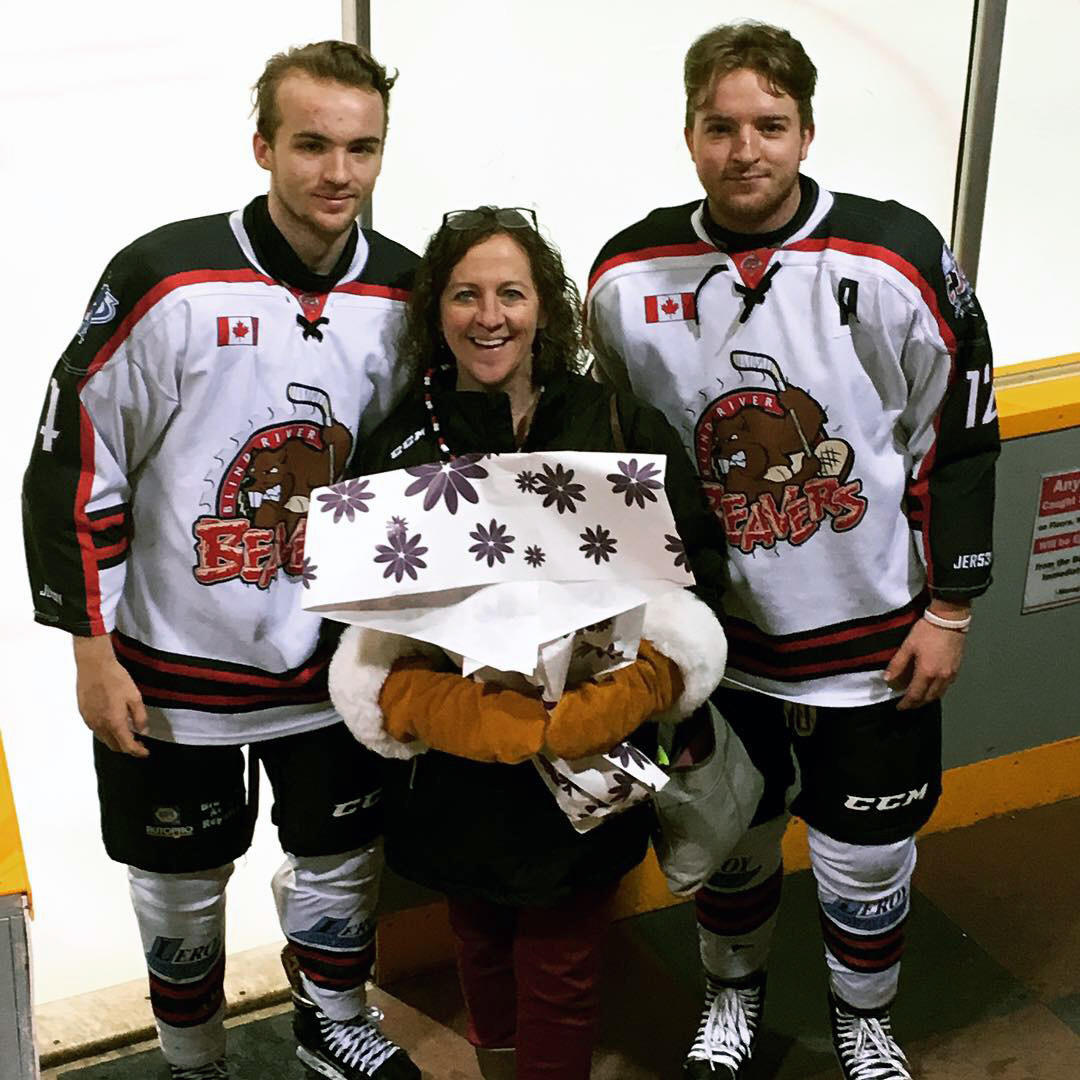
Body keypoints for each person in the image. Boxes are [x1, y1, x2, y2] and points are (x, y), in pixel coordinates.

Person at [586, 21, 999, 1080]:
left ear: (807, 130)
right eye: (720, 127)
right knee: (732, 845)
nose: (745, 150)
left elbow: (960, 437)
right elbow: (617, 462)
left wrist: (950, 611)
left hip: (875, 639)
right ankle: (732, 1002)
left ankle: (866, 1021)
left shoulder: (895, 254)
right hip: (723, 648)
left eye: (770, 125)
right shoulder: (628, 275)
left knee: (868, 859)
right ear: (689, 136)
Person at [22, 41, 421, 1080]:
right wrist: (89, 651)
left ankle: (331, 1027)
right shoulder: (165, 278)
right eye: (312, 145)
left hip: (333, 664)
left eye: (362, 147)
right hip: (172, 667)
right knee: (179, 887)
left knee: (340, 864)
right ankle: (193, 1060)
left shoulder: (411, 293)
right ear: (263, 146)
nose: (338, 172)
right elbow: (73, 467)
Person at [326, 206, 729, 1080]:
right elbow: (366, 611)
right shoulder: (401, 439)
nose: (490, 315)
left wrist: (647, 679)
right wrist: (419, 700)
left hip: (583, 754)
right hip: (456, 769)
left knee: (560, 958)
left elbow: (695, 563)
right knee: (477, 932)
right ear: (437, 308)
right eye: (466, 294)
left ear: (544, 304)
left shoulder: (610, 423)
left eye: (511, 292)